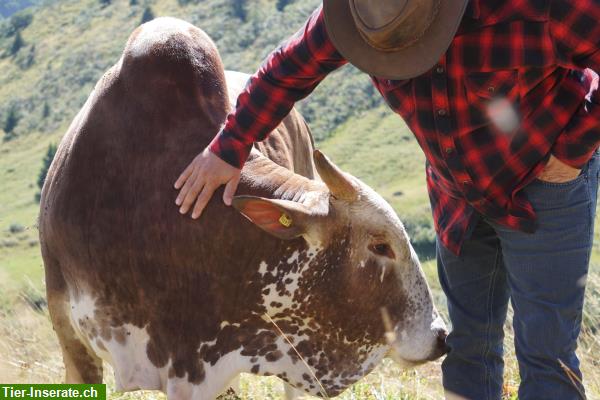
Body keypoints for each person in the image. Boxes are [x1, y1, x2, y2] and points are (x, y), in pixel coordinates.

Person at [174, 1, 600, 399]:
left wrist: (570, 153)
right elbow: (286, 71)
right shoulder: (366, 14)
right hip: (457, 196)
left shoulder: (536, 7)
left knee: (546, 354)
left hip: (545, 187)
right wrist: (227, 149)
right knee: (469, 346)